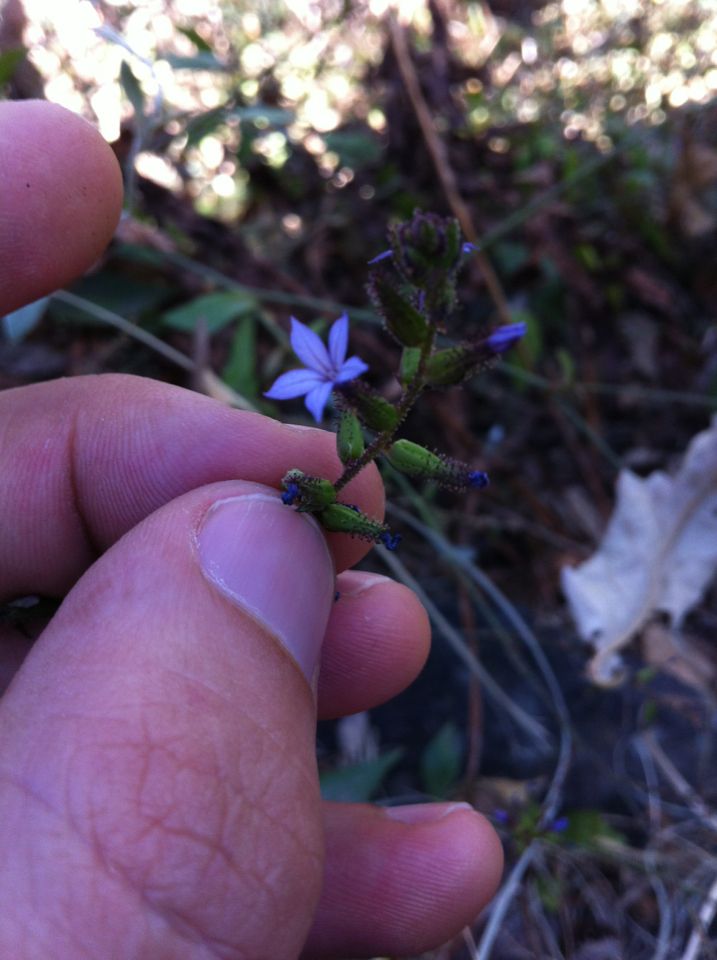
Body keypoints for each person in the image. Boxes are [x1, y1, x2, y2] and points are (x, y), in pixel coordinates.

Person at [0, 99, 503, 959]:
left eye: (339, 373)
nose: (337, 376)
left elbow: (380, 397)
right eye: (333, 372)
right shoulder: (347, 404)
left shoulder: (370, 390)